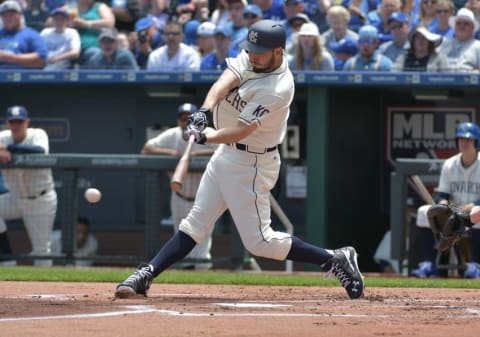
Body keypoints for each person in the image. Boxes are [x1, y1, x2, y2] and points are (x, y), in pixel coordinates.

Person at [115, 19, 365, 300]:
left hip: (252, 163)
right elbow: (225, 81)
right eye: (251, 48)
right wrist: (205, 112)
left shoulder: (278, 87)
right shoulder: (253, 57)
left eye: (260, 50)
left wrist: (207, 137)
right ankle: (148, 273)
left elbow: (244, 129)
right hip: (227, 154)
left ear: (279, 52)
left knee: (260, 242)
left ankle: (334, 258)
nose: (253, 54)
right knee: (195, 223)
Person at [141, 103, 217, 270]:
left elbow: (227, 150)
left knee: (202, 241)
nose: (186, 122)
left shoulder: (209, 134)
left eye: (190, 118)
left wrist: (196, 154)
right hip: (179, 196)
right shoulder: (172, 135)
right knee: (182, 235)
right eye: (183, 119)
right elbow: (147, 148)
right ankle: (185, 273)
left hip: (204, 198)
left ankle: (202, 271)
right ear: (178, 120)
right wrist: (173, 154)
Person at [412, 122, 480, 279]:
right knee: (424, 212)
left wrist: (474, 204)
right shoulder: (450, 164)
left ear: (476, 142)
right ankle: (430, 264)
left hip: (474, 210)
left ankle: (475, 264)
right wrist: (442, 205)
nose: (464, 143)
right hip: (455, 209)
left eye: (469, 140)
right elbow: (442, 193)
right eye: (461, 139)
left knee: (478, 212)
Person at [0, 106, 58, 267]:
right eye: (12, 122)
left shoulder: (38, 134)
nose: (16, 125)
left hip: (40, 200)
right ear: (7, 123)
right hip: (15, 199)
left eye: (19, 121)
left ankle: (44, 290)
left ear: (27, 122)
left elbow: (39, 151)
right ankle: (7, 258)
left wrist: (8, 149)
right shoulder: (3, 138)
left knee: (41, 251)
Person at [0, 0, 48, 69]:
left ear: (20, 15)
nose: (8, 18)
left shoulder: (31, 35)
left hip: (23, 77)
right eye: (5, 16)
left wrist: (11, 58)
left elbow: (42, 59)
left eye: (11, 15)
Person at [438, 7, 480, 72]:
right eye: (458, 23)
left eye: (466, 24)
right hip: (443, 80)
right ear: (454, 26)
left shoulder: (478, 46)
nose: (461, 26)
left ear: (473, 28)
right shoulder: (444, 43)